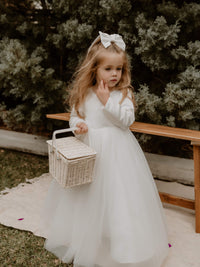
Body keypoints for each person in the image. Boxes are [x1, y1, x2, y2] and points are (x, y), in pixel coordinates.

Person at [41, 31, 169, 267]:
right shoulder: (85, 92)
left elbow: (126, 121)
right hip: (89, 152)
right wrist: (77, 125)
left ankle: (123, 245)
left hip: (118, 154)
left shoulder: (123, 93)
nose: (114, 74)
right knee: (87, 195)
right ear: (94, 69)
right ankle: (86, 237)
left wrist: (107, 101)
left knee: (119, 197)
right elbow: (75, 116)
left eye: (118, 69)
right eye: (108, 69)